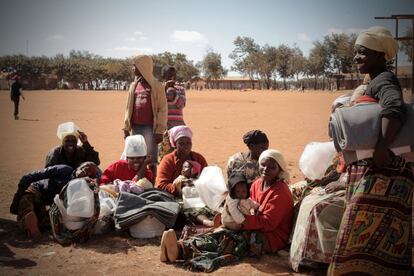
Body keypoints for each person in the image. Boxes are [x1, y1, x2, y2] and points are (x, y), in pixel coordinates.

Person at [328, 26, 414, 275]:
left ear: (380, 56)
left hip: (383, 168)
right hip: (373, 165)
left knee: (358, 227)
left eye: (362, 53)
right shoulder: (372, 81)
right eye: (356, 53)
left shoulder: (384, 80)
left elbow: (394, 109)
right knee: (364, 227)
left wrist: (381, 147)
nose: (356, 58)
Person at [159, 149, 293, 272]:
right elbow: (245, 204)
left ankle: (180, 251)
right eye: (263, 165)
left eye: (272, 167)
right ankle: (178, 247)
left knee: (230, 241)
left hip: (271, 237)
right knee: (223, 231)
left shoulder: (280, 193)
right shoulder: (258, 183)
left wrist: (240, 221)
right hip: (251, 224)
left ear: (279, 170)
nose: (265, 169)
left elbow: (268, 223)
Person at [9, 162, 97, 239]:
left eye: (90, 173)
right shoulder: (64, 170)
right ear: (79, 167)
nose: (85, 172)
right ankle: (28, 220)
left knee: (45, 222)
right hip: (36, 190)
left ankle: (33, 223)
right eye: (85, 168)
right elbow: (29, 177)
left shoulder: (82, 188)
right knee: (27, 203)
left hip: (46, 203)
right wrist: (17, 197)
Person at [123, 54, 168, 178]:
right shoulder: (133, 86)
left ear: (142, 67)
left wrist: (159, 131)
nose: (133, 69)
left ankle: (152, 185)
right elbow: (128, 108)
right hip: (135, 127)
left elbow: (163, 109)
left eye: (134, 66)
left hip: (150, 128)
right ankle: (137, 183)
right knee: (136, 157)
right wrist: (126, 128)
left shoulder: (156, 86)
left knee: (151, 159)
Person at [156, 125, 207, 197]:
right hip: (171, 198)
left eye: (188, 143)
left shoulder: (199, 159)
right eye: (181, 143)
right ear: (175, 145)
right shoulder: (167, 160)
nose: (186, 146)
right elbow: (161, 185)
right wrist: (181, 186)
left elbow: (208, 180)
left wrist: (196, 185)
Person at [158, 66, 187, 162]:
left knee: (180, 156)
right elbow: (157, 104)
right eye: (169, 75)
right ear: (163, 76)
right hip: (163, 127)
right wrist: (165, 88)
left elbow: (181, 105)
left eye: (174, 75)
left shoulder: (180, 89)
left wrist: (173, 91)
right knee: (165, 157)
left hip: (178, 127)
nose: (172, 77)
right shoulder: (159, 89)